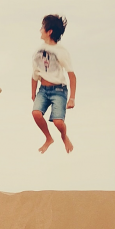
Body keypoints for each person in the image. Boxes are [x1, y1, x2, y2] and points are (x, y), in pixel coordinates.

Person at [31, 14, 76, 153]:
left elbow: (71, 75)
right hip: (43, 90)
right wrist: (33, 93)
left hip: (59, 90)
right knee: (36, 113)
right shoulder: (38, 51)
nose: (40, 30)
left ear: (49, 31)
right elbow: (34, 74)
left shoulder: (61, 52)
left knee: (58, 122)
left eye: (42, 28)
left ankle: (64, 136)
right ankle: (48, 138)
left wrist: (72, 98)